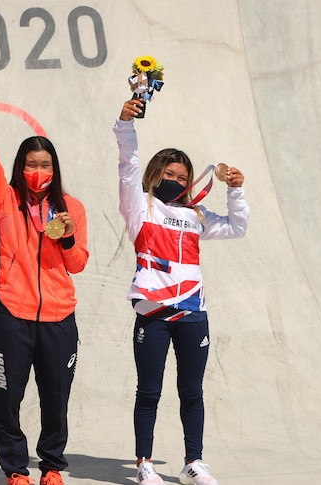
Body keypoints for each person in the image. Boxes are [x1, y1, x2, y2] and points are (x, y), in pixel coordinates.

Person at [113, 98, 249, 485]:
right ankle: (145, 464)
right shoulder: (140, 206)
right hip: (153, 312)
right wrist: (125, 123)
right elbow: (128, 165)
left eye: (182, 175)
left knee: (192, 392)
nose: (175, 179)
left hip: (192, 312)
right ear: (156, 174)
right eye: (168, 172)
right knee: (149, 392)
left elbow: (238, 227)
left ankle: (194, 463)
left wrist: (236, 190)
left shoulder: (196, 216)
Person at [0, 112, 89, 485]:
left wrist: (67, 237)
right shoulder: (5, 201)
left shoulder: (71, 208)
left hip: (58, 317)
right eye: (31, 164)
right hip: (13, 315)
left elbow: (78, 263)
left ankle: (51, 467)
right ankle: (16, 470)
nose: (38, 170)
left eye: (45, 163)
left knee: (56, 399)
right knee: (8, 398)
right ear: (21, 167)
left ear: (54, 168)